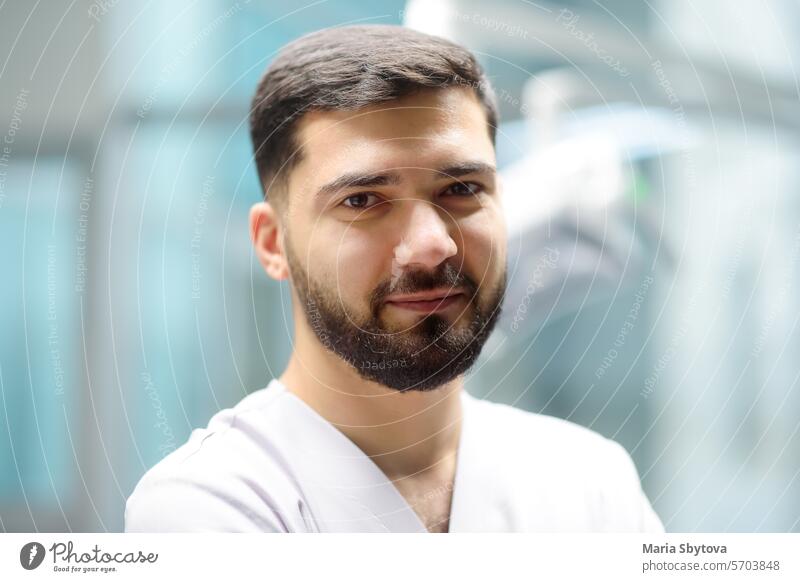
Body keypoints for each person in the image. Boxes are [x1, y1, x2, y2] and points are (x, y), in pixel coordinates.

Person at [125, 24, 663, 533]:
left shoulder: (591, 484)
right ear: (273, 242)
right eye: (362, 200)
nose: (433, 245)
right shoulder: (208, 505)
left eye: (462, 189)